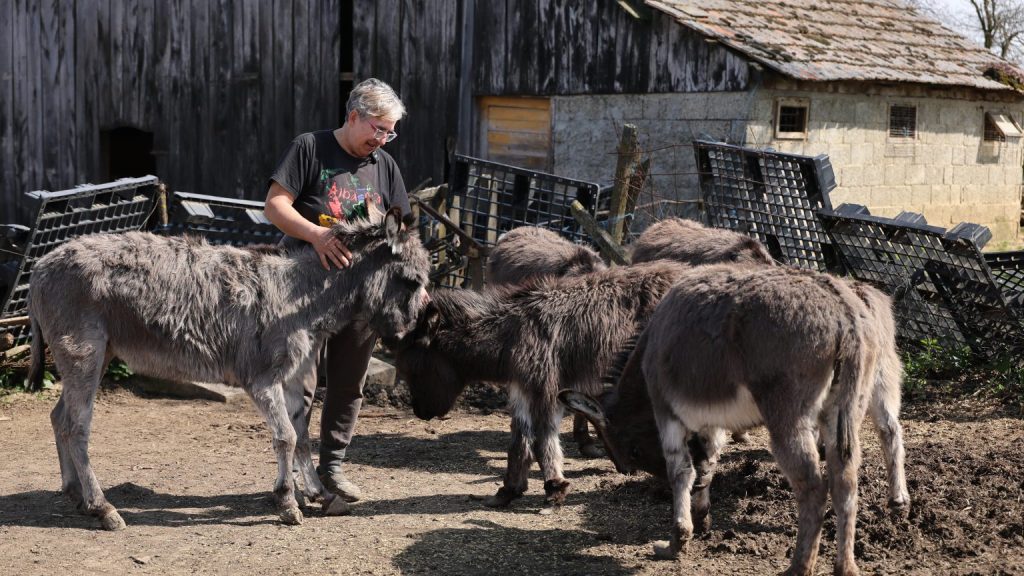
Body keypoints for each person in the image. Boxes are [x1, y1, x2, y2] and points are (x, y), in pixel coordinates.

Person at [264, 78, 411, 503]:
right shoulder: (310, 147)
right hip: (303, 292)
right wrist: (316, 235)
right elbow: (275, 205)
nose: (381, 140)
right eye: (378, 129)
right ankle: (296, 470)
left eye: (389, 133)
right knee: (300, 383)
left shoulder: (384, 165)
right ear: (354, 116)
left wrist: (404, 269)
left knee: (349, 382)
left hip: (362, 292)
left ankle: (332, 467)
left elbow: (399, 229)